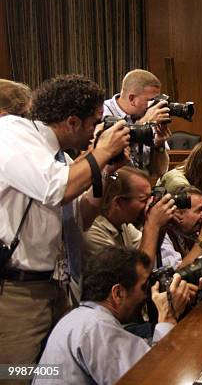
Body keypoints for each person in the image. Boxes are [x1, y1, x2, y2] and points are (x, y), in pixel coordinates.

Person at [0, 74, 130, 366]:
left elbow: (80, 219)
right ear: (72, 122)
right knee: (15, 375)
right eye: (95, 122)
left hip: (55, 286)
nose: (97, 130)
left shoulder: (59, 158)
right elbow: (58, 189)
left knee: (56, 373)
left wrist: (105, 170)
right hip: (16, 292)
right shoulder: (10, 133)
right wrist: (101, 151)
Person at [33, 246, 195, 385]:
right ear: (118, 293)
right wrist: (168, 317)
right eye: (143, 287)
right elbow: (155, 378)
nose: (146, 296)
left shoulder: (79, 318)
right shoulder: (95, 327)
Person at [84, 167, 179, 267]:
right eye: (143, 200)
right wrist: (153, 224)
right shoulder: (93, 232)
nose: (149, 205)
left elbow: (148, 250)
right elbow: (139, 273)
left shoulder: (122, 224)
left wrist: (161, 227)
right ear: (118, 202)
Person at [103, 69, 172, 177]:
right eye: (150, 101)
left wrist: (159, 146)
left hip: (143, 187)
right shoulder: (103, 113)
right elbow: (105, 158)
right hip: (113, 188)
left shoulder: (150, 116)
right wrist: (142, 125)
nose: (154, 106)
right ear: (132, 99)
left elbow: (160, 172)